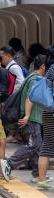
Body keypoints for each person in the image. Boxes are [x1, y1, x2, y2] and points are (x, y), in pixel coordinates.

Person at [0, 55, 46, 182]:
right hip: (31, 118)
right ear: (43, 66)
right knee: (33, 145)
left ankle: (38, 174)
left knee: (36, 146)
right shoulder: (36, 79)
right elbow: (29, 98)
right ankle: (9, 163)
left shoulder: (30, 77)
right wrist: (27, 116)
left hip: (31, 118)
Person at [36, 47, 54, 189]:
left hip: (48, 111)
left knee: (47, 143)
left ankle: (41, 179)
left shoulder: (50, 69)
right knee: (47, 144)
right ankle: (41, 179)